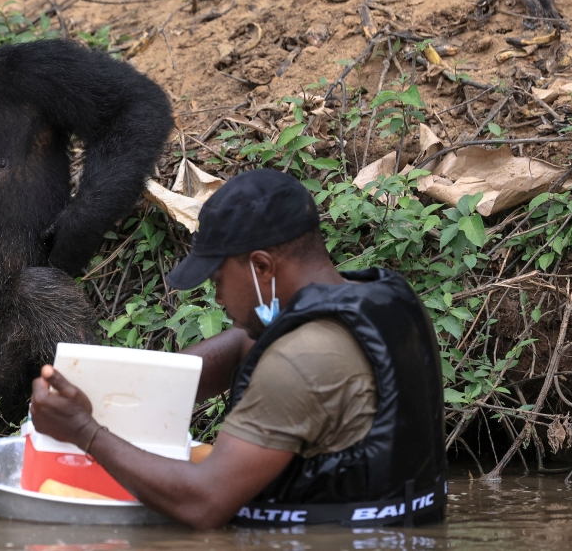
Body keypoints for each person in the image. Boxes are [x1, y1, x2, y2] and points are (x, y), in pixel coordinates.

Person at [30, 168, 447, 529]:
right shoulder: (381, 298)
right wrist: (111, 389)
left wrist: (86, 432)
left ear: (261, 266)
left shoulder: (299, 361)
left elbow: (204, 502)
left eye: (216, 280)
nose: (217, 299)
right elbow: (246, 342)